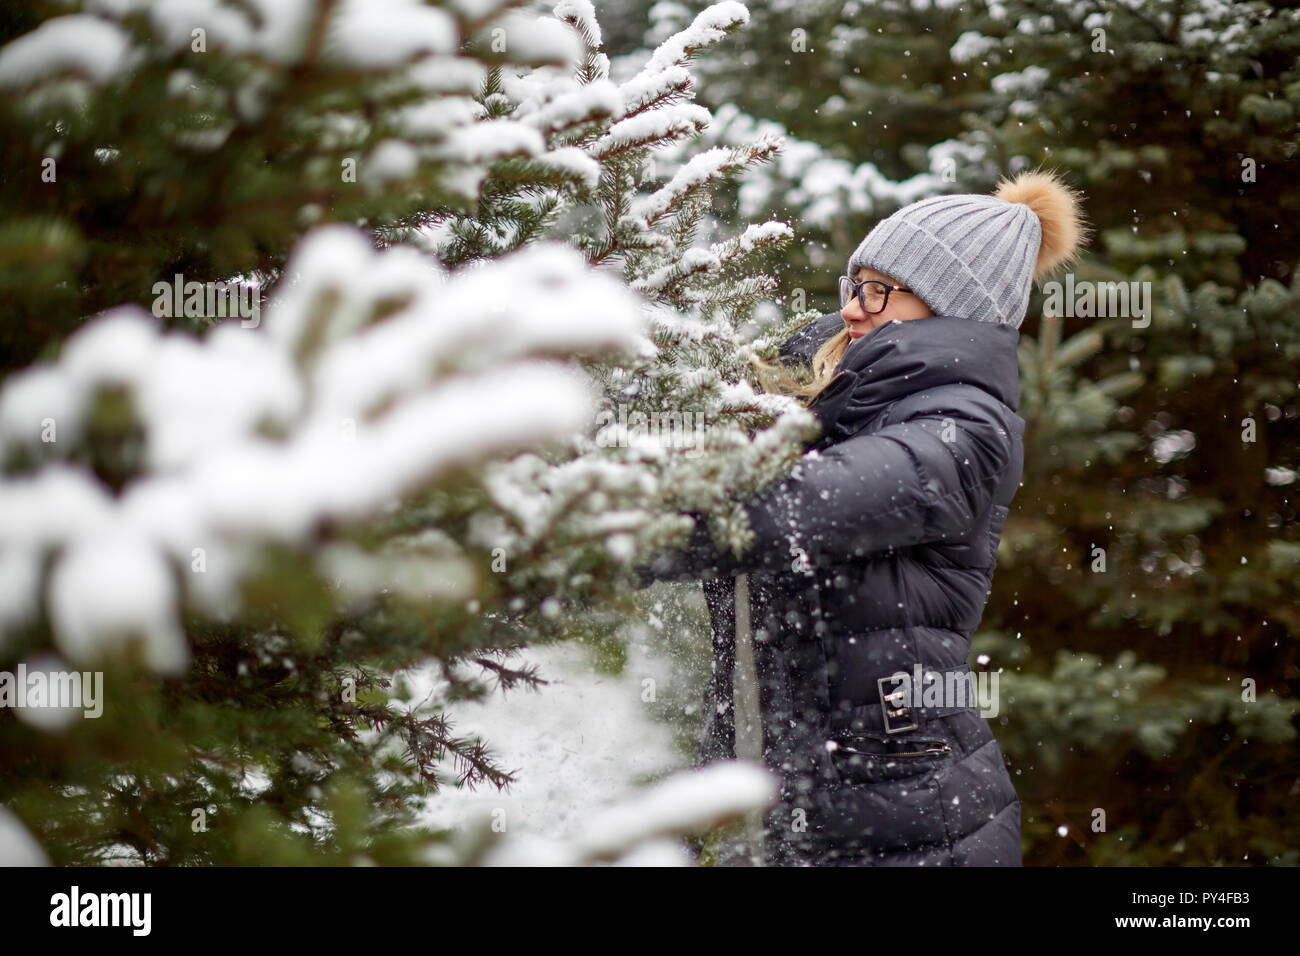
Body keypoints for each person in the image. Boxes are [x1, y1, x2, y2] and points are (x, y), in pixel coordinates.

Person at [636, 167, 1088, 865]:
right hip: (780, 801)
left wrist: (597, 532)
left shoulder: (964, 433)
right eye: (855, 285)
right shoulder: (834, 396)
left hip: (909, 824)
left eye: (880, 291)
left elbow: (788, 510)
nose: (852, 307)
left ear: (948, 308)